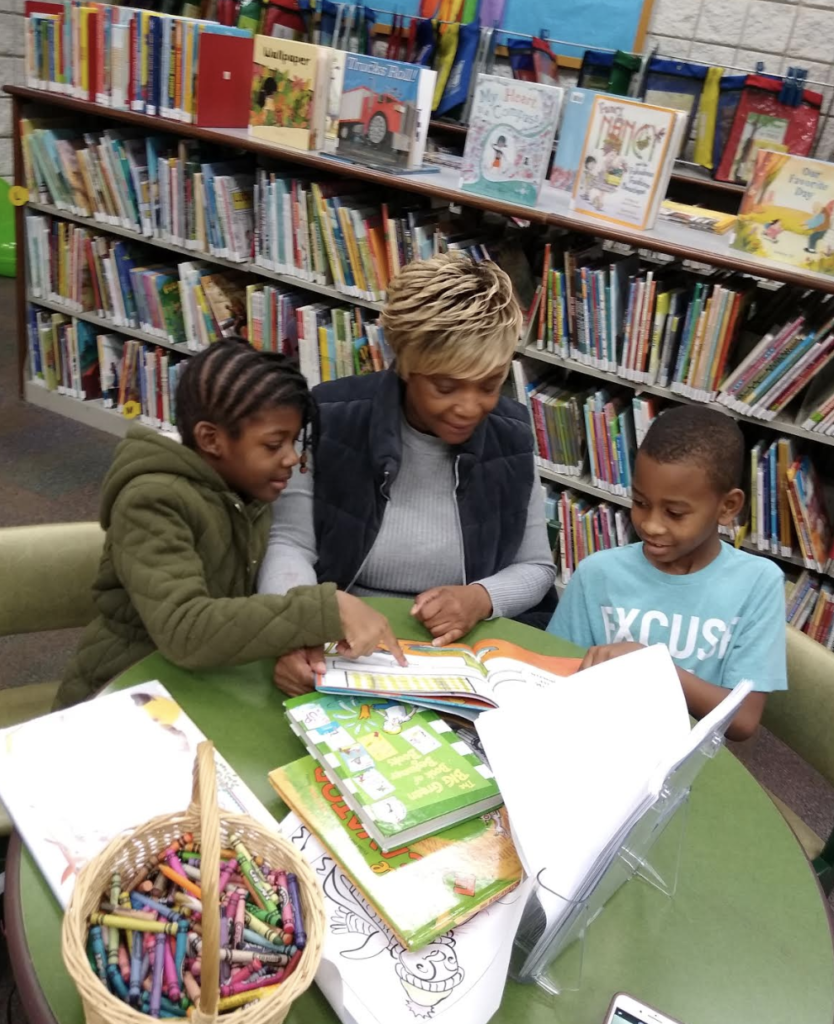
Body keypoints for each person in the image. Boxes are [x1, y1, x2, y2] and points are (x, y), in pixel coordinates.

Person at [261, 252, 558, 696]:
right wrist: (296, 632)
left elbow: (536, 567)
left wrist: (479, 598)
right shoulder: (328, 418)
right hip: (343, 636)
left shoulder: (512, 436)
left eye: (489, 384)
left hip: (462, 649)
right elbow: (290, 543)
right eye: (445, 386)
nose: (469, 407)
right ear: (404, 364)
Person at [55, 340, 404, 709]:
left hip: (207, 680)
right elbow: (186, 630)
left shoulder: (243, 484)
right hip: (125, 693)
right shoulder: (151, 501)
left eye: (294, 440)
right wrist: (324, 609)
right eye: (273, 445)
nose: (292, 459)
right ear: (211, 439)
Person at [547, 405, 786, 741]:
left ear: (728, 507)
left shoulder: (758, 583)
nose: (650, 525)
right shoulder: (597, 574)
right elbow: (556, 674)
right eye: (640, 502)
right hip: (600, 741)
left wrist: (651, 666)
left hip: (694, 759)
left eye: (675, 513)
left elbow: (743, 720)